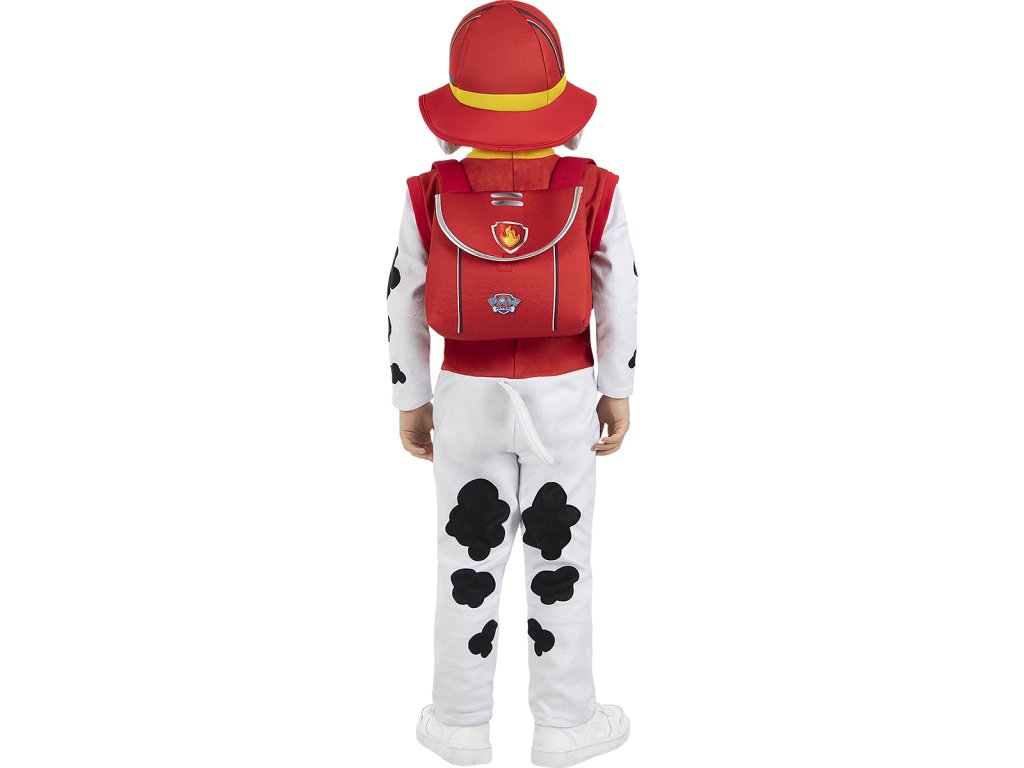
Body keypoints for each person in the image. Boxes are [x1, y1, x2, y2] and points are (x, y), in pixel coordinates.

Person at [387, 2, 637, 764]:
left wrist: (411, 399)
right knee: (562, 560)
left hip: (466, 394)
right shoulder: (594, 188)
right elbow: (620, 290)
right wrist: (617, 388)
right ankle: (565, 723)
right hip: (565, 395)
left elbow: (402, 297)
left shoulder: (429, 192)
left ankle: (460, 724)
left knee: (466, 557)